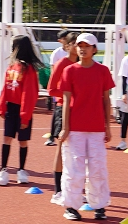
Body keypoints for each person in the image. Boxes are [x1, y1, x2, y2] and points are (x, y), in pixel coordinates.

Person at [58, 33, 115, 220]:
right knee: (74, 169)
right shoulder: (70, 71)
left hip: (97, 128)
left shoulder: (103, 71)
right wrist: (65, 127)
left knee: (98, 168)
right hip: (75, 128)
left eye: (87, 46)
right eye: (80, 45)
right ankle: (71, 206)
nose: (83, 49)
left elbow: (106, 100)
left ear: (94, 49)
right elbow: (66, 100)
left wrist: (108, 126)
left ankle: (99, 205)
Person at [0, 35, 45, 186]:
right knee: (7, 138)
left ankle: (21, 170)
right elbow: (5, 88)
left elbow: (29, 95)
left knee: (23, 141)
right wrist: (2, 106)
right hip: (11, 107)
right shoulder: (11, 67)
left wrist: (25, 117)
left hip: (23, 110)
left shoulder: (29, 70)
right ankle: (3, 170)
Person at [46, 31, 78, 205]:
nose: (77, 47)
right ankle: (58, 190)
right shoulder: (62, 64)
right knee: (61, 147)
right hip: (63, 109)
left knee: (79, 151)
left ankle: (77, 189)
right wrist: (68, 96)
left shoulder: (84, 64)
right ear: (67, 45)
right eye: (74, 43)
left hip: (80, 111)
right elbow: (51, 89)